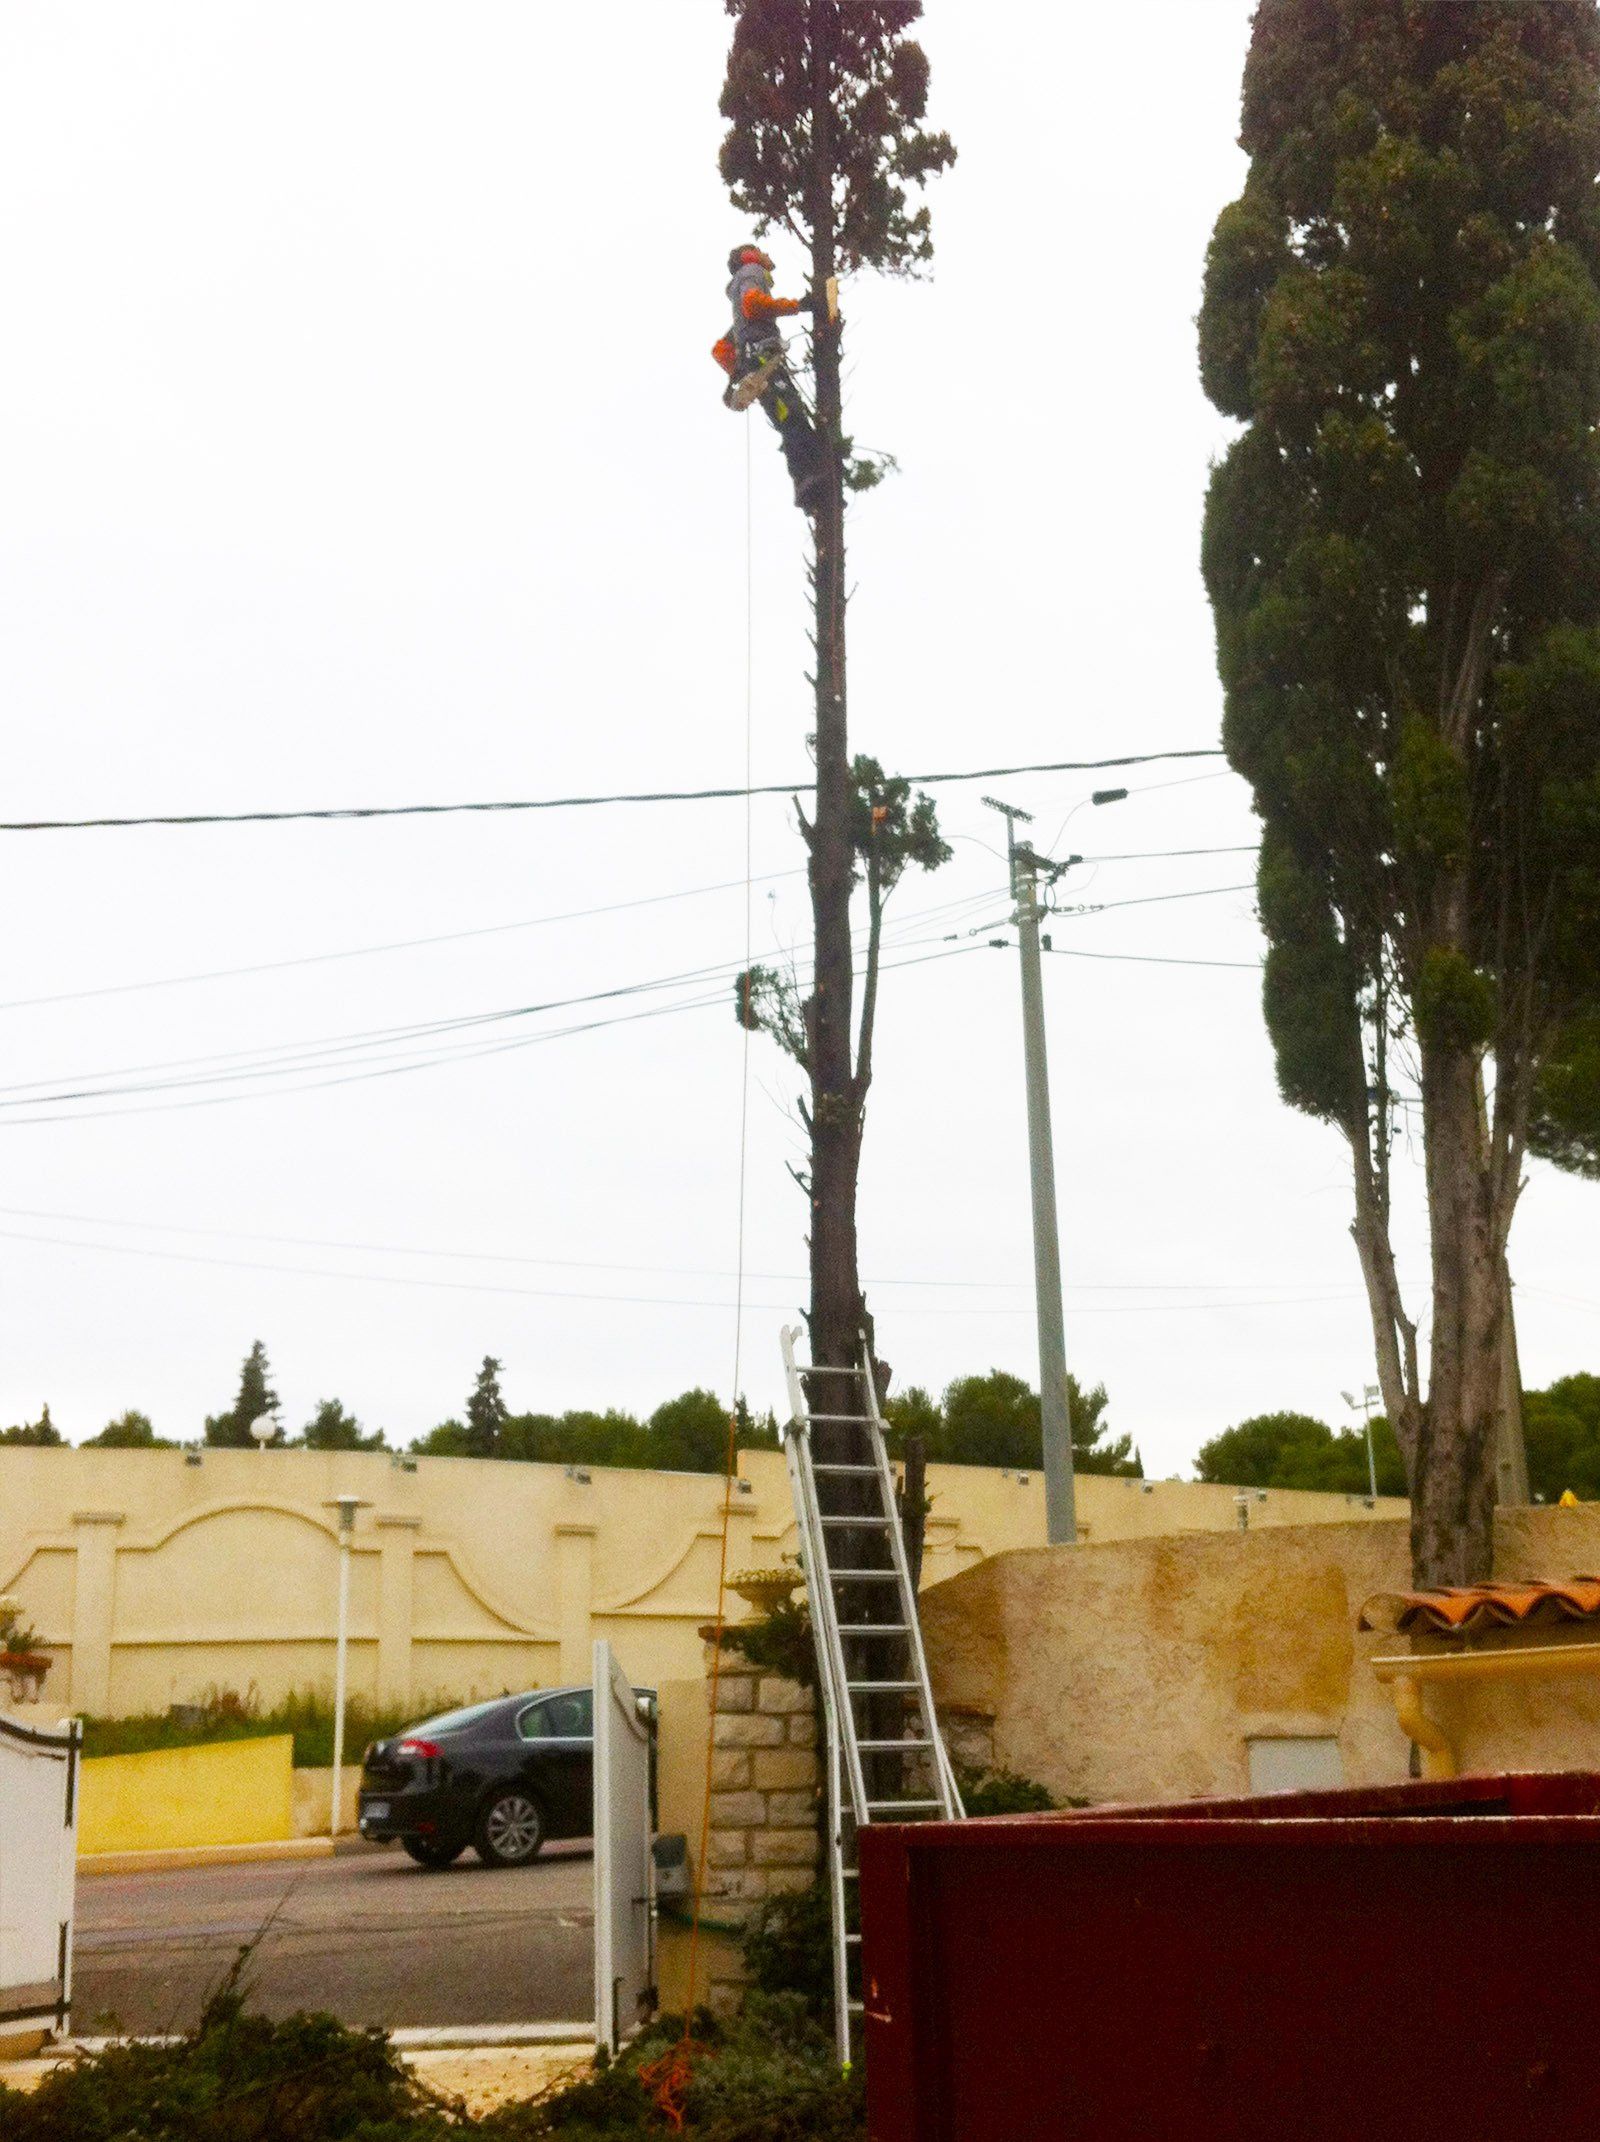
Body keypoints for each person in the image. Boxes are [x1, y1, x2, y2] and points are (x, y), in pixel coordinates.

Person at [712, 244, 827, 515]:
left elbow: (721, 349)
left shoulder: (737, 311)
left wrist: (740, 371)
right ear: (749, 256)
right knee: (793, 418)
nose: (767, 253)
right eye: (760, 250)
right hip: (763, 356)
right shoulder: (752, 272)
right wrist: (798, 305)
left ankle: (809, 489)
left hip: (756, 360)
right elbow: (753, 304)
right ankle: (811, 482)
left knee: (788, 420)